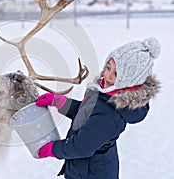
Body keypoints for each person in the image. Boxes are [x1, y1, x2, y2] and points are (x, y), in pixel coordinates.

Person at [35, 37, 161, 179]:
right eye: (108, 68)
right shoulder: (103, 92)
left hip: (93, 173)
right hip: (81, 168)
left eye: (116, 74)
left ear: (130, 82)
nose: (107, 76)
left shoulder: (111, 116)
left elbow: (81, 147)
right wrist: (61, 102)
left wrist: (54, 149)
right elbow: (87, 115)